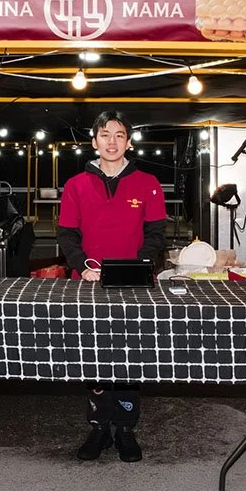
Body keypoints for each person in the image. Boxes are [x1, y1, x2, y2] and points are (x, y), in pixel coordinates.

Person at [57, 110, 167, 462]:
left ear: (129, 142)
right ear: (94, 141)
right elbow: (67, 235)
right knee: (92, 354)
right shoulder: (76, 184)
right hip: (88, 285)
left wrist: (138, 267)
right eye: (105, 134)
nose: (111, 141)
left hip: (132, 287)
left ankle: (126, 427)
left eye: (119, 135)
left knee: (129, 355)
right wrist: (82, 266)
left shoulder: (148, 182)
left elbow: (156, 236)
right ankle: (99, 426)